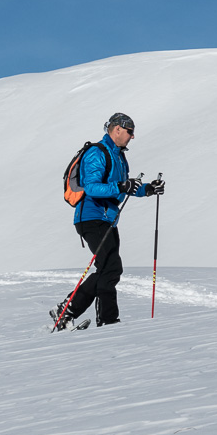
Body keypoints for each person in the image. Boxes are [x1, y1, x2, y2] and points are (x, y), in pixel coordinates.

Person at [57, 112, 164, 329]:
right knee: (110, 267)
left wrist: (148, 189)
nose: (132, 137)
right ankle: (107, 320)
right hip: (90, 216)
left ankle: (67, 310)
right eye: (129, 131)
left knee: (109, 269)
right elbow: (92, 187)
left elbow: (125, 186)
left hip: (108, 219)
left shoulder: (119, 157)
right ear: (117, 129)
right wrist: (121, 187)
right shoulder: (97, 153)